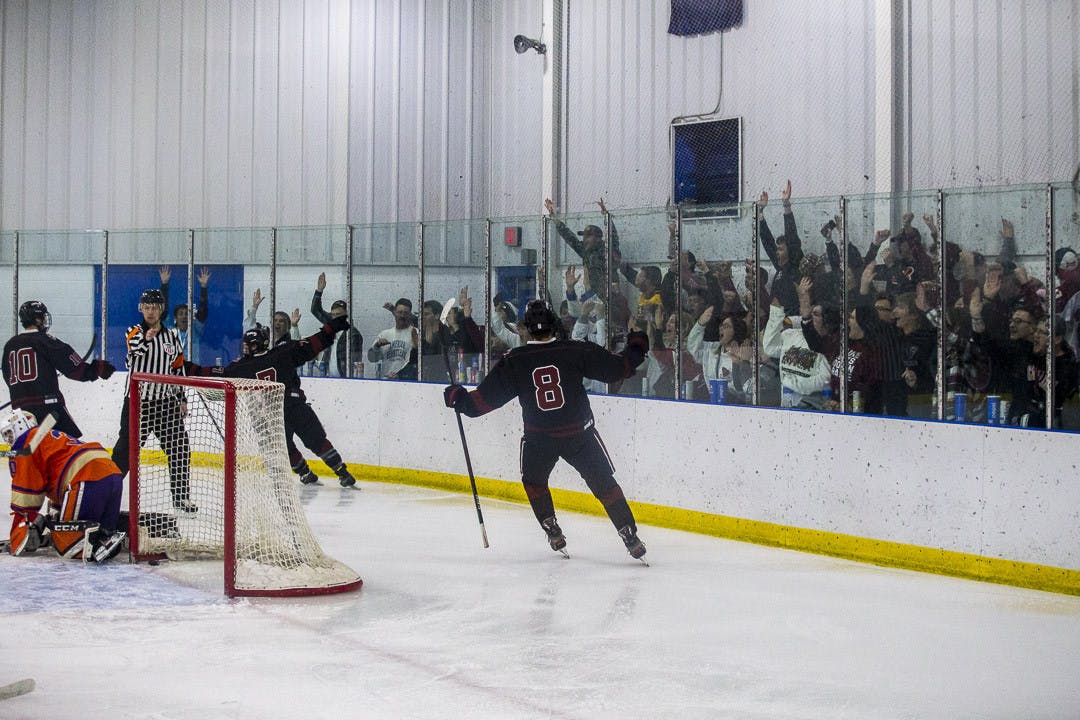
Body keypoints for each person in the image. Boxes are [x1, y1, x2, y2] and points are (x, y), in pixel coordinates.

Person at [442, 299, 651, 561]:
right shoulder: (575, 350)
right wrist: (638, 344)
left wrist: (456, 397)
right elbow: (620, 369)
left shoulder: (515, 361)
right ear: (554, 326)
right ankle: (629, 534)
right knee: (604, 484)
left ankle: (552, 529)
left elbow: (479, 405)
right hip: (580, 436)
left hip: (539, 439)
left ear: (526, 330)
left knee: (534, 482)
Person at [224, 321, 357, 487]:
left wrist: (186, 369)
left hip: (273, 412)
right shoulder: (282, 353)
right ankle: (342, 472)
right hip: (296, 405)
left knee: (285, 446)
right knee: (317, 440)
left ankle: (305, 472)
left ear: (256, 346)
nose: (245, 349)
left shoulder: (241, 367)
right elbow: (311, 345)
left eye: (248, 346)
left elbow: (219, 375)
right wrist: (330, 329)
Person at [111, 288, 197, 513]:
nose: (150, 312)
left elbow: (177, 369)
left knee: (179, 449)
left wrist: (182, 397)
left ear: (161, 310)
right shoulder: (133, 331)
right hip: (137, 404)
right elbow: (135, 351)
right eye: (146, 307)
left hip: (166, 404)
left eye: (154, 308)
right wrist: (147, 340)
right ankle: (106, 492)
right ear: (141, 308)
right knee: (124, 452)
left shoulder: (172, 337)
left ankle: (181, 497)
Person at [2, 410, 126, 562]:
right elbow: (58, 478)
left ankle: (95, 545)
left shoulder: (26, 442)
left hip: (87, 477)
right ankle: (108, 534)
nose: (9, 439)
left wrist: (20, 532)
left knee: (68, 545)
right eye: (5, 435)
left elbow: (26, 494)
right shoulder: (48, 436)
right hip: (112, 474)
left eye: (9, 432)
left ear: (21, 425)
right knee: (98, 528)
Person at [2, 300, 116, 438]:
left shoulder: (10, 345)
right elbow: (75, 370)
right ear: (37, 319)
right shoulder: (44, 340)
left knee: (30, 450)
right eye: (43, 317)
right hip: (48, 408)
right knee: (68, 448)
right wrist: (97, 369)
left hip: (20, 411)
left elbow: (7, 376)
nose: (44, 321)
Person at [311, 272, 364, 377]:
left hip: (345, 379)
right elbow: (315, 310)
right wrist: (319, 291)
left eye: (339, 314)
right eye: (334, 315)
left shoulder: (353, 334)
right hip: (328, 377)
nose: (336, 317)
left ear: (346, 315)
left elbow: (355, 360)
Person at [160, 265, 210, 359]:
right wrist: (164, 284)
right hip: (173, 371)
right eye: (180, 314)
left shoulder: (195, 331)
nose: (184, 316)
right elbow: (163, 310)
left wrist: (203, 287)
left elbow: (203, 310)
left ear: (192, 318)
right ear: (175, 318)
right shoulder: (169, 331)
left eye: (187, 314)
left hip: (192, 370)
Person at [368, 298, 418, 379]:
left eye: (405, 313)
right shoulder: (384, 334)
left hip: (407, 382)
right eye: (400, 312)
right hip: (386, 381)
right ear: (395, 313)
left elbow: (418, 362)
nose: (402, 316)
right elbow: (371, 359)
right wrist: (377, 346)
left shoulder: (416, 333)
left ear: (410, 314)